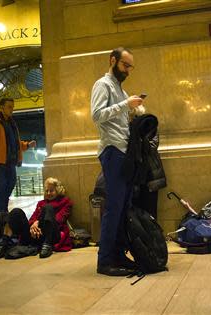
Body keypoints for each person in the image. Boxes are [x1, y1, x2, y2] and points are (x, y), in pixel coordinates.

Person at [91, 47, 144, 276]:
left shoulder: (120, 90)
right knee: (114, 207)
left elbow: (120, 120)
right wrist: (125, 106)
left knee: (123, 207)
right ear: (113, 61)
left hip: (123, 151)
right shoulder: (102, 85)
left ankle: (118, 254)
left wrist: (134, 111)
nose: (128, 71)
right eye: (125, 65)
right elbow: (96, 115)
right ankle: (105, 261)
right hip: (112, 150)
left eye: (131, 67)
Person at [0, 177, 73, 260]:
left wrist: (38, 222)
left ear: (57, 191)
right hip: (34, 234)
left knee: (48, 208)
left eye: (51, 191)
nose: (48, 193)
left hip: (51, 234)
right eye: (46, 191)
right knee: (16, 212)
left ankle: (47, 245)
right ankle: (4, 243)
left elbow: (59, 219)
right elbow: (33, 218)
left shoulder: (65, 202)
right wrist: (33, 225)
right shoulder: (41, 203)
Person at [0, 98, 36, 214]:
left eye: (12, 107)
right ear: (1, 107)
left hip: (10, 163)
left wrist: (27, 145)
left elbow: (15, 143)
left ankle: (2, 212)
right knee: (0, 190)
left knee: (9, 186)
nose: (12, 109)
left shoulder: (12, 124)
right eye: (9, 107)